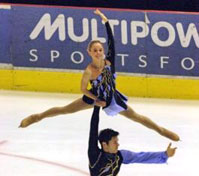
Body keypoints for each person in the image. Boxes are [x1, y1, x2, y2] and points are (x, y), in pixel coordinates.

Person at [19, 9, 179, 142]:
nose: (98, 52)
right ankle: (37, 117)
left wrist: (105, 21)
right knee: (65, 110)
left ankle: (162, 131)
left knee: (136, 116)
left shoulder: (109, 62)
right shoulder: (88, 70)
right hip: (95, 97)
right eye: (95, 50)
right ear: (89, 52)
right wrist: (94, 99)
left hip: (112, 98)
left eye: (100, 50)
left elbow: (111, 41)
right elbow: (82, 88)